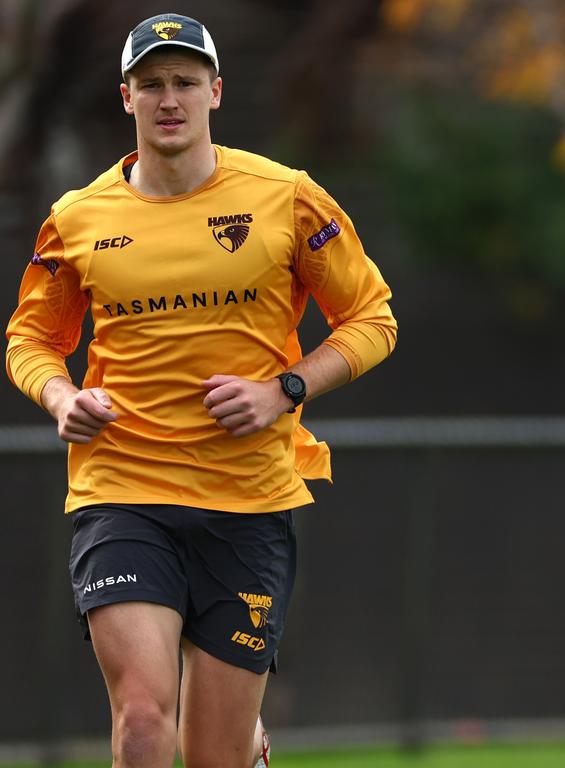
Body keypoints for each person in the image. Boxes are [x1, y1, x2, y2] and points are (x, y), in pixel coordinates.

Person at [5, 12, 397, 768]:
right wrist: (62, 399)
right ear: (127, 99)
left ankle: (242, 747)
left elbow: (372, 317)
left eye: (185, 82)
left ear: (216, 91)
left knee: (211, 755)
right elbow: (30, 339)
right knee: (146, 720)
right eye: (151, 85)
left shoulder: (288, 198)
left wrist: (284, 389)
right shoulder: (77, 218)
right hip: (121, 488)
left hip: (247, 499)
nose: (169, 99)